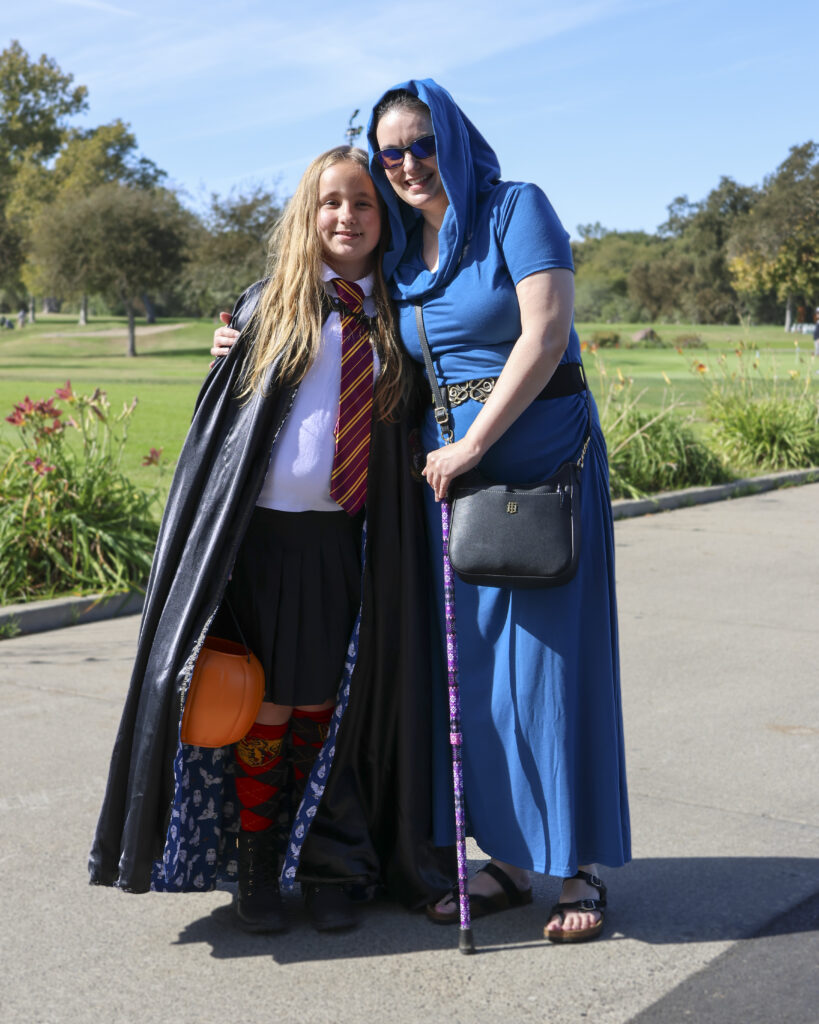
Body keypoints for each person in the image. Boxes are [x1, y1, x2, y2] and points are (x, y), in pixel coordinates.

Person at [89, 145, 451, 934]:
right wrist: (223, 349)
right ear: (307, 214)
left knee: (327, 703)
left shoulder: (399, 312)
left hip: (342, 543)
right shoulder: (268, 306)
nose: (346, 216)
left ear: (381, 216)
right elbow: (225, 432)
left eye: (362, 202)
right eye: (330, 202)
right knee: (260, 707)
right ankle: (256, 865)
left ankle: (328, 864)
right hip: (255, 544)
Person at [368, 80, 630, 943]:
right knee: (479, 680)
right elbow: (324, 280)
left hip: (542, 462)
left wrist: (474, 443)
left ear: (453, 136)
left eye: (421, 143)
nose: (407, 164)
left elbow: (544, 332)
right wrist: (240, 330)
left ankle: (577, 862)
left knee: (552, 673)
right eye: (391, 152)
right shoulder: (404, 249)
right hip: (461, 484)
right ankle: (513, 861)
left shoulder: (517, 208)